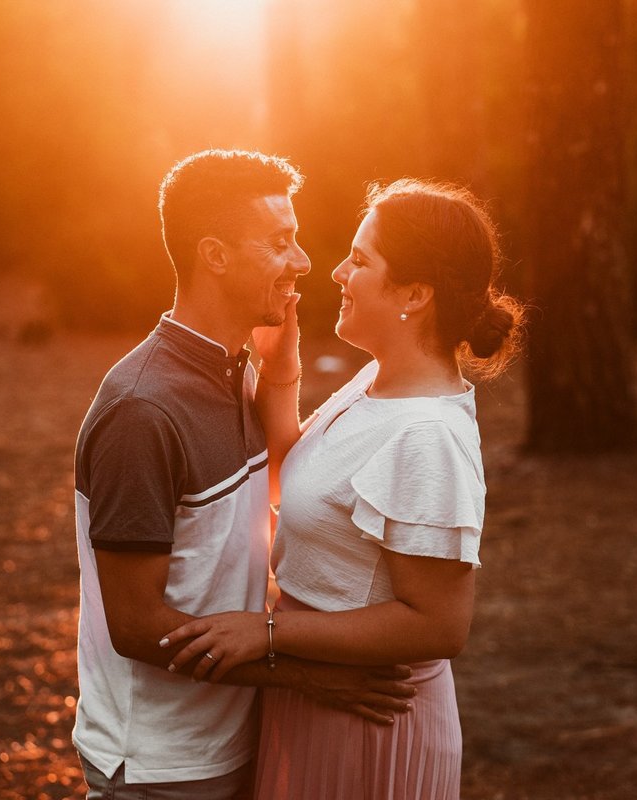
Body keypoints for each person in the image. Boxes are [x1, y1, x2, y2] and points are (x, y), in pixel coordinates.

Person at [161, 178, 524, 799]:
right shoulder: (376, 383)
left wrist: (268, 634)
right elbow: (294, 480)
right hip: (317, 691)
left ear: (414, 293)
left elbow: (439, 625)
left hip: (368, 720)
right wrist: (280, 368)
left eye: (359, 260)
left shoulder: (427, 435)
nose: (334, 272)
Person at [72, 150, 417, 800]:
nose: (304, 262)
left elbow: (285, 494)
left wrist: (280, 372)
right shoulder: (142, 411)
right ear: (216, 255)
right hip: (160, 766)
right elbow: (137, 624)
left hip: (232, 741)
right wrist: (306, 674)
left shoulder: (234, 372)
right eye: (280, 242)